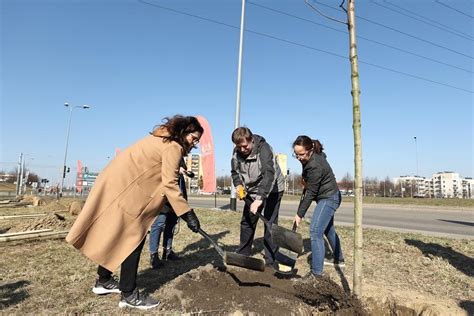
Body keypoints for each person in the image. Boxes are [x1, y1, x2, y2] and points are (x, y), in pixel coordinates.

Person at [66, 115, 203, 310]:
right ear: (184, 131)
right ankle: (129, 294)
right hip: (129, 192)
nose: (195, 143)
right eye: (194, 138)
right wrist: (187, 213)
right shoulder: (173, 147)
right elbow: (170, 183)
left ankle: (103, 280)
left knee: (117, 233)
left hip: (118, 185)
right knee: (133, 239)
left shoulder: (160, 139)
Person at [230, 127, 285, 266]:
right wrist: (239, 186)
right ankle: (243, 253)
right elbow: (234, 172)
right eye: (238, 147)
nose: (242, 149)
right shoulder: (236, 152)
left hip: (273, 188)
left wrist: (259, 199)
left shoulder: (264, 149)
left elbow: (269, 175)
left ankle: (271, 260)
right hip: (252, 189)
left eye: (244, 146)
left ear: (251, 140)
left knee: (269, 222)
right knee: (248, 220)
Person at [291, 135, 344, 278]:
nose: (299, 157)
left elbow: (310, 193)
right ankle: (339, 259)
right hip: (328, 196)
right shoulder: (310, 157)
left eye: (301, 154)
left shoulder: (315, 165)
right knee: (328, 229)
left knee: (315, 231)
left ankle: (316, 273)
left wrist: (299, 214)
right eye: (296, 154)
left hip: (329, 198)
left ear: (310, 150)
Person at [149, 158, 194, 268]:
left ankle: (167, 251)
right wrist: (174, 170)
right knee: (158, 225)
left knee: (171, 225)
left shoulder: (180, 157)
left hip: (176, 201)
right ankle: (153, 255)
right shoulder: (165, 156)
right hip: (163, 200)